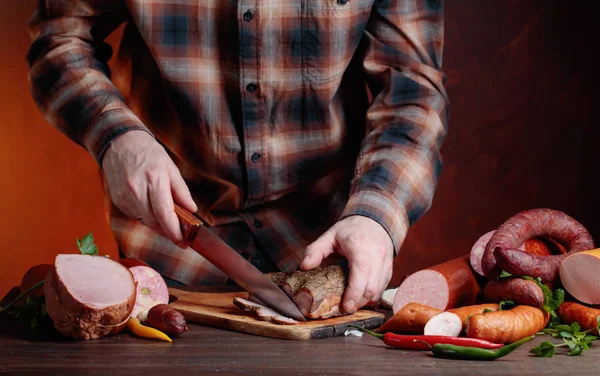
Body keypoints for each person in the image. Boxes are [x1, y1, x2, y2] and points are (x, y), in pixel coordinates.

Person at [27, 0, 449, 314]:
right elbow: (60, 40)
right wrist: (114, 136)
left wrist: (377, 214)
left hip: (330, 253)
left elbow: (412, 93)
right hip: (171, 250)